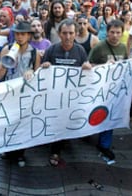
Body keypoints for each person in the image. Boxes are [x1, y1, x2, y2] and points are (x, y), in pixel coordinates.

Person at [41, 18, 92, 167]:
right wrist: (45, 65)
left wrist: (87, 66)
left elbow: (85, 68)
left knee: (67, 121)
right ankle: (55, 150)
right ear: (59, 33)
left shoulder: (80, 50)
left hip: (72, 96)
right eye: (64, 33)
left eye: (71, 33)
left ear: (76, 34)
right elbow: (41, 72)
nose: (68, 37)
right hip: (55, 96)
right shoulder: (52, 49)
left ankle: (65, 140)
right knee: (56, 122)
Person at [0, 21, 41, 167]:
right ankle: (7, 149)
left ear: (29, 35)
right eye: (17, 34)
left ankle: (20, 153)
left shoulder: (34, 53)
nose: (19, 37)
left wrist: (32, 72)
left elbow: (38, 77)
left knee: (23, 124)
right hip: (9, 93)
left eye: (23, 34)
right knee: (8, 122)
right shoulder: (6, 49)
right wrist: (6, 61)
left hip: (25, 94)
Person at [88, 20, 128, 162]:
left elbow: (126, 66)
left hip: (115, 89)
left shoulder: (123, 48)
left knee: (109, 115)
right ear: (107, 32)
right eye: (112, 32)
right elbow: (89, 65)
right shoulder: (99, 46)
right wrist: (103, 66)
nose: (115, 35)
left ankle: (104, 144)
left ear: (122, 33)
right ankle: (87, 134)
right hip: (99, 89)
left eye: (118, 33)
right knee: (95, 113)